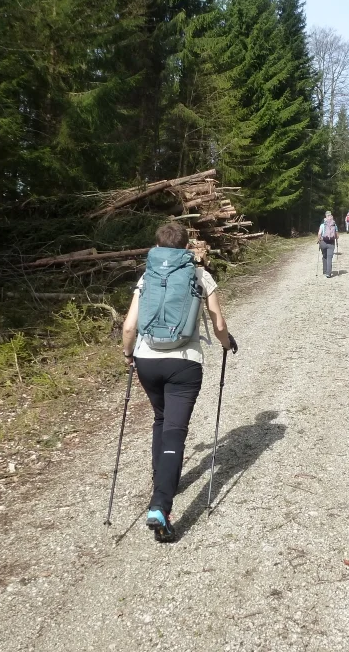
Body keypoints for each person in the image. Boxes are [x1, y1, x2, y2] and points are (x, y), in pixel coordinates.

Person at [121, 222, 237, 541]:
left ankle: (163, 478)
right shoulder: (199, 275)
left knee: (160, 418)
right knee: (174, 429)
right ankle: (160, 505)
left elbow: (130, 326)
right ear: (187, 246)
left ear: (157, 245)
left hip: (147, 359)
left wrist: (128, 354)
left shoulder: (148, 276)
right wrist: (228, 344)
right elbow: (219, 323)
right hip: (184, 363)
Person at [317, 210, 338, 277]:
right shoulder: (334, 225)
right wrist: (336, 239)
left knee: (324, 256)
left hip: (323, 242)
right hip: (331, 243)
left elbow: (319, 234)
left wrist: (319, 240)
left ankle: (324, 271)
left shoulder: (323, 225)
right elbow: (337, 236)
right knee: (329, 258)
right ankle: (328, 273)